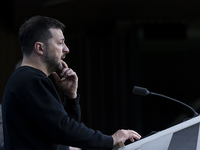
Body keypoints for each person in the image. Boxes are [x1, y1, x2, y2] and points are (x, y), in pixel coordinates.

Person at [1, 16, 141, 150]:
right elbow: (64, 129)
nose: (66, 49)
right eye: (60, 42)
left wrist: (70, 96)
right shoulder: (31, 81)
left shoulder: (25, 79)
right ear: (40, 48)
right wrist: (110, 140)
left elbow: (63, 130)